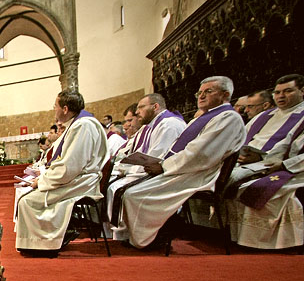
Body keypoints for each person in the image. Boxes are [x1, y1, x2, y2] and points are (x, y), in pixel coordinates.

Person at [115, 76, 245, 248]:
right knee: (130, 191)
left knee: (134, 194)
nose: (201, 96)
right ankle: (150, 233)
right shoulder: (205, 118)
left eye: (208, 91)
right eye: (200, 92)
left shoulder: (228, 118)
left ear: (225, 94)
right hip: (185, 168)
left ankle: (152, 238)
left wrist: (163, 166)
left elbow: (200, 154)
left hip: (200, 173)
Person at [15, 89, 108, 255]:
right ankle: (52, 237)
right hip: (76, 178)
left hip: (80, 181)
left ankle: (45, 244)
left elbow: (69, 166)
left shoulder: (83, 126)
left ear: (65, 109)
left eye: (55, 107)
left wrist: (42, 181)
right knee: (27, 198)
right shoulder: (78, 124)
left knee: (27, 201)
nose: (54, 110)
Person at [108, 93, 186, 225]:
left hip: (163, 173)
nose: (137, 112)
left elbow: (155, 159)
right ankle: (122, 232)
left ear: (155, 106)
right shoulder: (151, 126)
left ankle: (136, 232)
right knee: (113, 186)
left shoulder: (169, 124)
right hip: (147, 170)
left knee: (119, 190)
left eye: (141, 107)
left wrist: (127, 169)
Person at [229, 74, 304, 188]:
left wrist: (264, 158)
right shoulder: (263, 116)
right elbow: (238, 138)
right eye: (277, 92)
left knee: (226, 179)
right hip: (241, 162)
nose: (281, 96)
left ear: (302, 91)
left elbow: (295, 150)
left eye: (288, 91)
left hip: (271, 166)